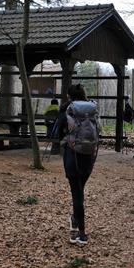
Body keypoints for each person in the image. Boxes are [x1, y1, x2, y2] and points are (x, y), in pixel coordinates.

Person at [57, 84, 99, 245]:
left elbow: (59, 130)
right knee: (79, 191)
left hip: (72, 154)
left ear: (69, 96)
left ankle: (80, 233)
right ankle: (75, 220)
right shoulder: (92, 110)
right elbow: (98, 129)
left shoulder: (67, 110)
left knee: (77, 194)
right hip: (89, 155)